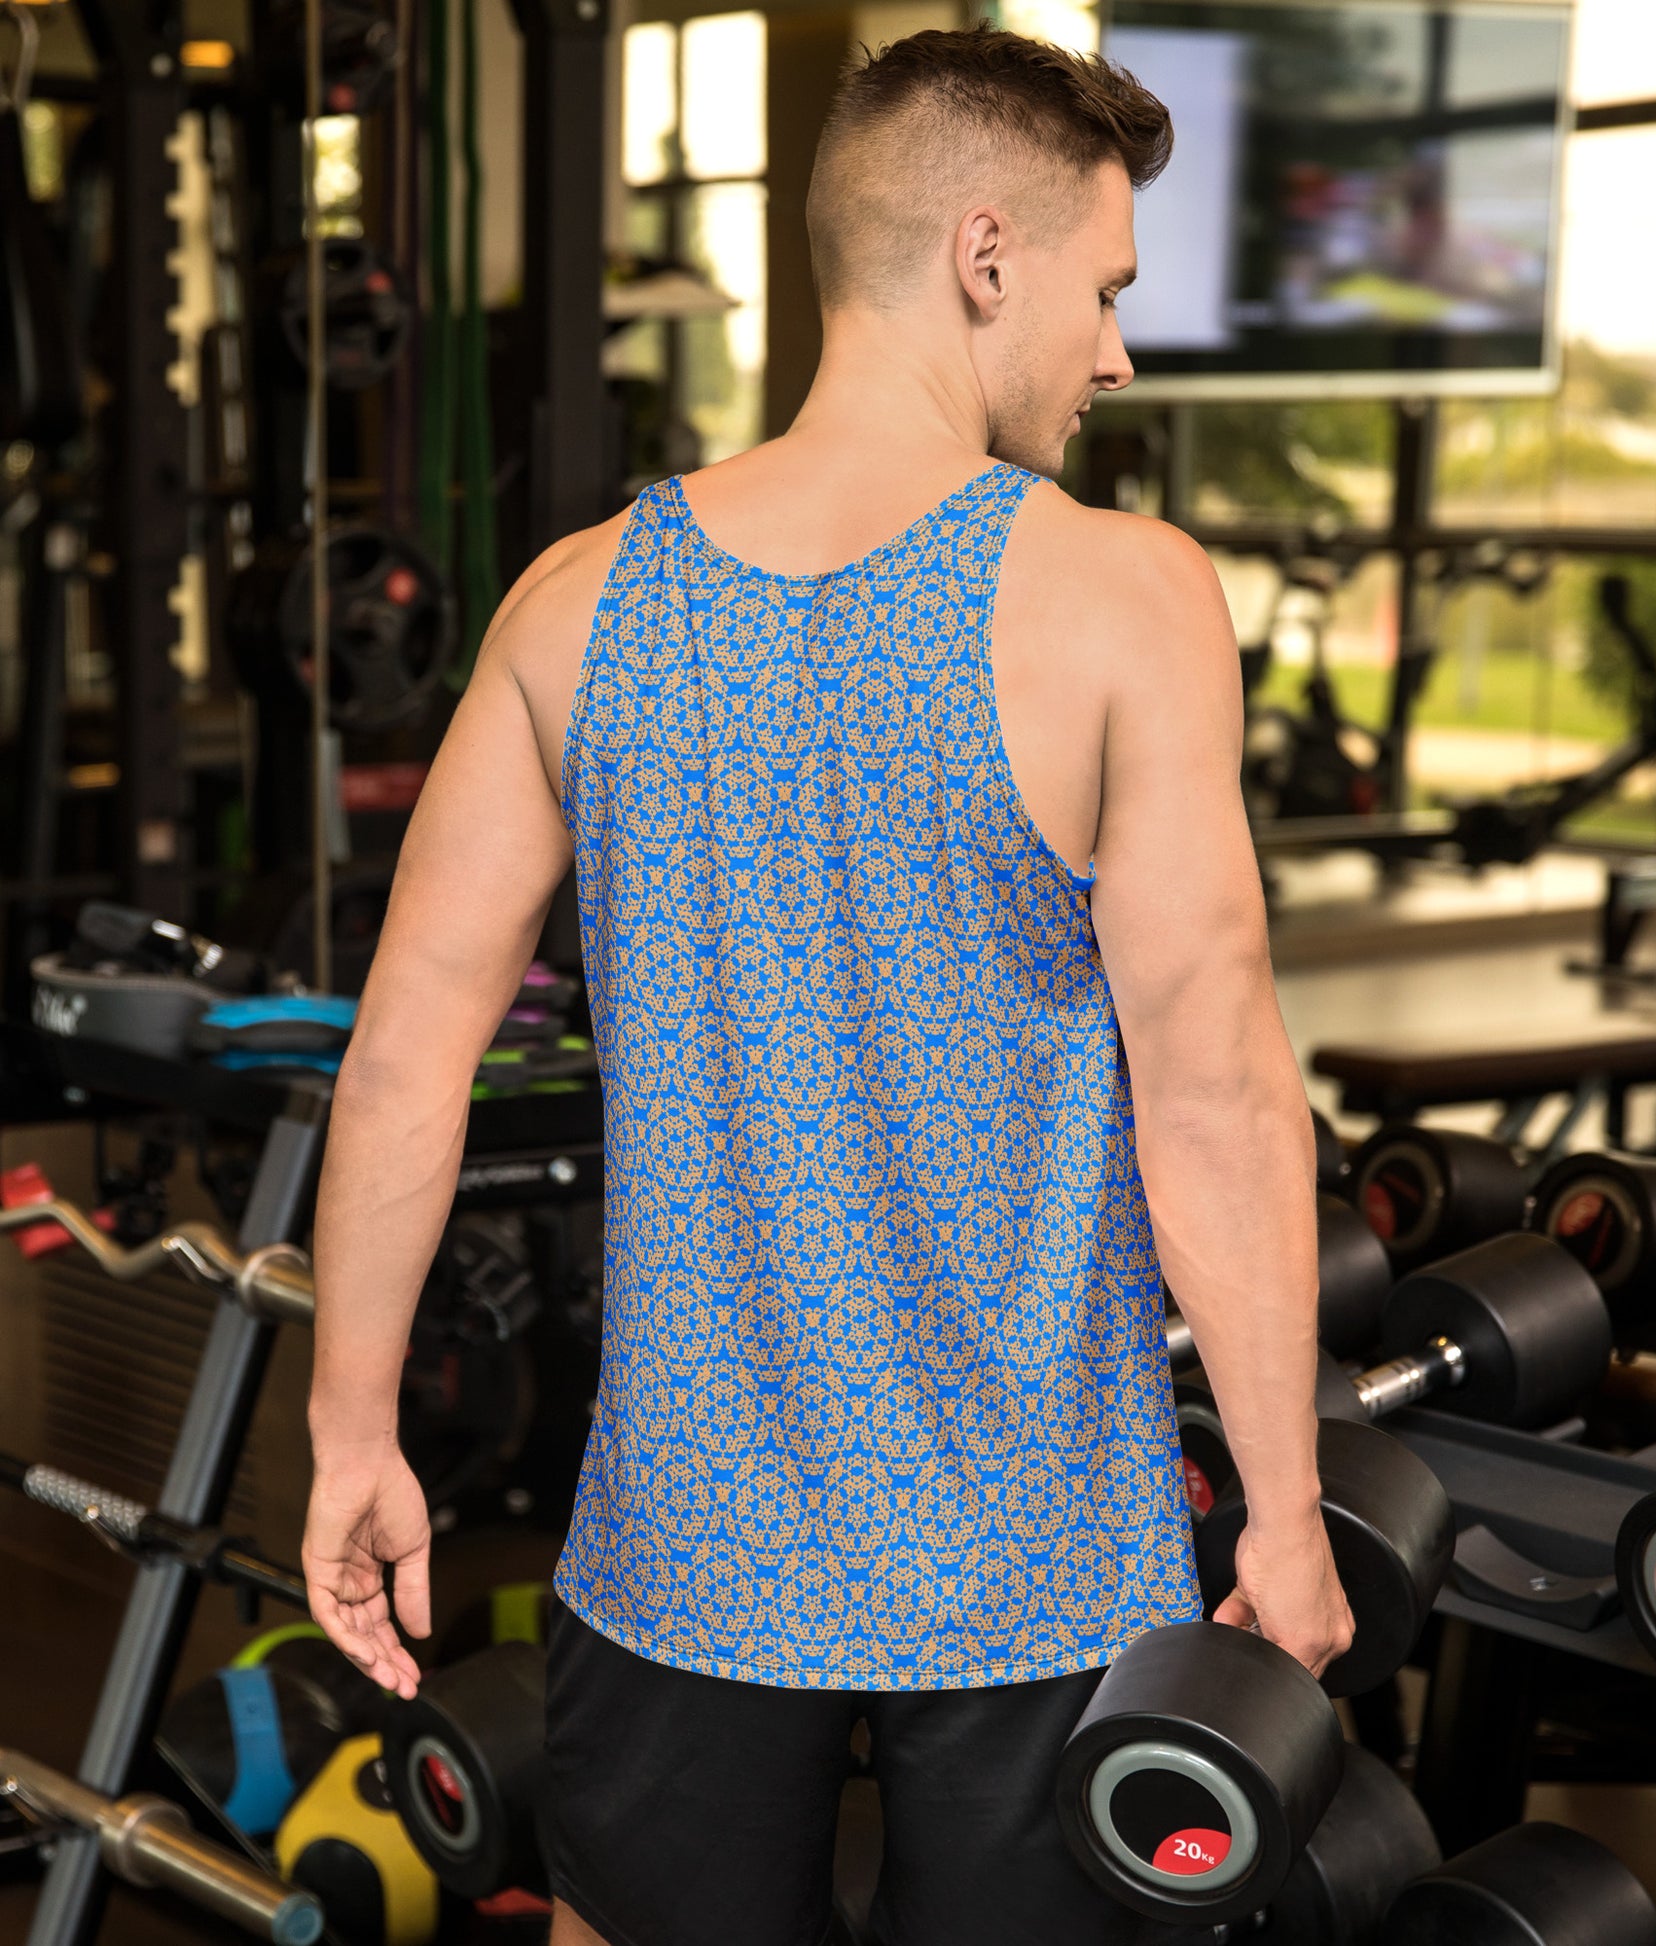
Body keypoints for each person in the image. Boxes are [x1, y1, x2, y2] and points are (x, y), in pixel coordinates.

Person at [301, 25, 1351, 1946]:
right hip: (1038, 1572)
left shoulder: (572, 602)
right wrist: (1280, 1516)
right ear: (984, 255)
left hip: (683, 1563)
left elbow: (402, 1061)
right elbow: (1214, 1097)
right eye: (1104, 292)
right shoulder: (1126, 599)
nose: (1114, 354)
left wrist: (353, 1433)